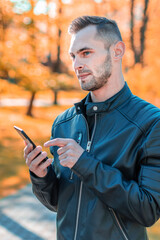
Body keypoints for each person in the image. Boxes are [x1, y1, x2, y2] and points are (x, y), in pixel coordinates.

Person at [24, 16, 160, 240]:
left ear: (117, 51)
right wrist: (42, 177)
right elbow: (60, 203)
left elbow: (148, 210)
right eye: (73, 55)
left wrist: (85, 164)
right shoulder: (63, 123)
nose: (76, 64)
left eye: (86, 53)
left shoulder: (151, 123)